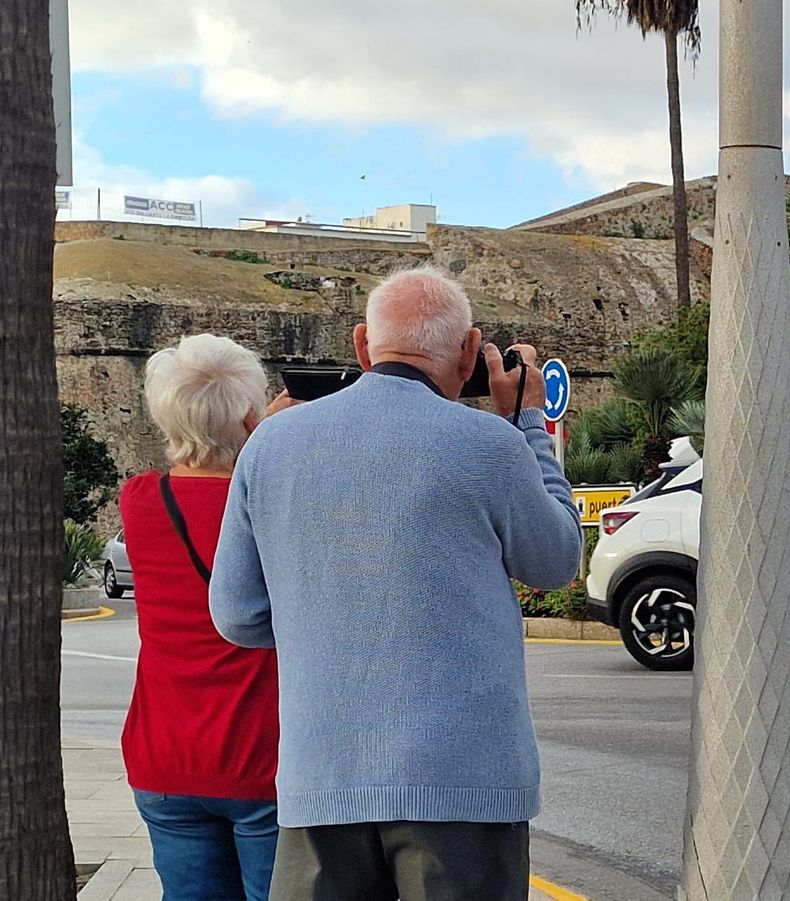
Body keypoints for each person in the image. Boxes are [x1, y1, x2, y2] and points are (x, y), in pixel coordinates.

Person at [209, 266, 582, 901]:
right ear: (469, 352)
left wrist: (334, 613)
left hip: (322, 780)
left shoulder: (271, 445)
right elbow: (554, 562)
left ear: (363, 345)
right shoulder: (489, 444)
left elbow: (237, 615)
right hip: (465, 786)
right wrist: (525, 425)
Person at [119, 334, 295, 901]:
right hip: (261, 757)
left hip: (164, 759)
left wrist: (244, 431)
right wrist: (270, 435)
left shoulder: (140, 500)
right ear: (250, 415)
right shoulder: (273, 502)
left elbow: (198, 472)